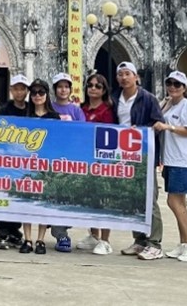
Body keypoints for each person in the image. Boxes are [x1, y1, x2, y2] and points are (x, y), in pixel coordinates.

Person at [112, 61, 166, 260]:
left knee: (149, 200)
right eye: (120, 74)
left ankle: (155, 243)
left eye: (128, 74)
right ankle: (139, 240)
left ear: (136, 77)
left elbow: (158, 123)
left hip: (143, 155)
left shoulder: (148, 98)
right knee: (133, 198)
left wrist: (141, 131)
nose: (124, 78)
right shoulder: (114, 98)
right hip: (122, 155)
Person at [152, 71, 187, 262]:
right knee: (180, 202)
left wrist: (169, 127)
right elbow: (157, 115)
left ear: (184, 88)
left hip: (183, 159)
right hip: (171, 159)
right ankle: (184, 243)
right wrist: (165, 102)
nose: (173, 87)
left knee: (173, 202)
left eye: (177, 84)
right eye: (170, 83)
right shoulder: (170, 105)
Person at [76, 72, 117, 254]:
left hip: (103, 158)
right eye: (90, 85)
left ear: (104, 90)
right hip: (85, 157)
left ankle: (105, 240)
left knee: (104, 197)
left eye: (98, 86)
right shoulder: (82, 108)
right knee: (90, 196)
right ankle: (93, 234)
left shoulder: (107, 110)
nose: (93, 89)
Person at [20, 79, 61, 254]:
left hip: (46, 164)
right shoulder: (25, 116)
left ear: (46, 95)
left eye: (41, 92)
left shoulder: (54, 117)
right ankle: (27, 239)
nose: (37, 96)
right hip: (28, 163)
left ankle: (41, 239)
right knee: (27, 201)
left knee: (43, 201)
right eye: (34, 92)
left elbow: (57, 141)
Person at [48, 72, 84, 252]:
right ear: (55, 89)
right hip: (51, 158)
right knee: (54, 196)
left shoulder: (76, 110)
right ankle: (60, 235)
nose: (63, 90)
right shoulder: (49, 107)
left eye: (66, 87)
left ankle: (62, 229)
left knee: (68, 197)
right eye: (60, 87)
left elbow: (83, 132)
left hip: (70, 159)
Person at [0, 74, 29, 249]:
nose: (19, 92)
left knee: (19, 197)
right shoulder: (4, 109)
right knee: (4, 195)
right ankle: (2, 233)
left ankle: (15, 231)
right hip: (7, 159)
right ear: (11, 90)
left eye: (22, 89)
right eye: (16, 89)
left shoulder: (30, 109)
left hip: (25, 160)